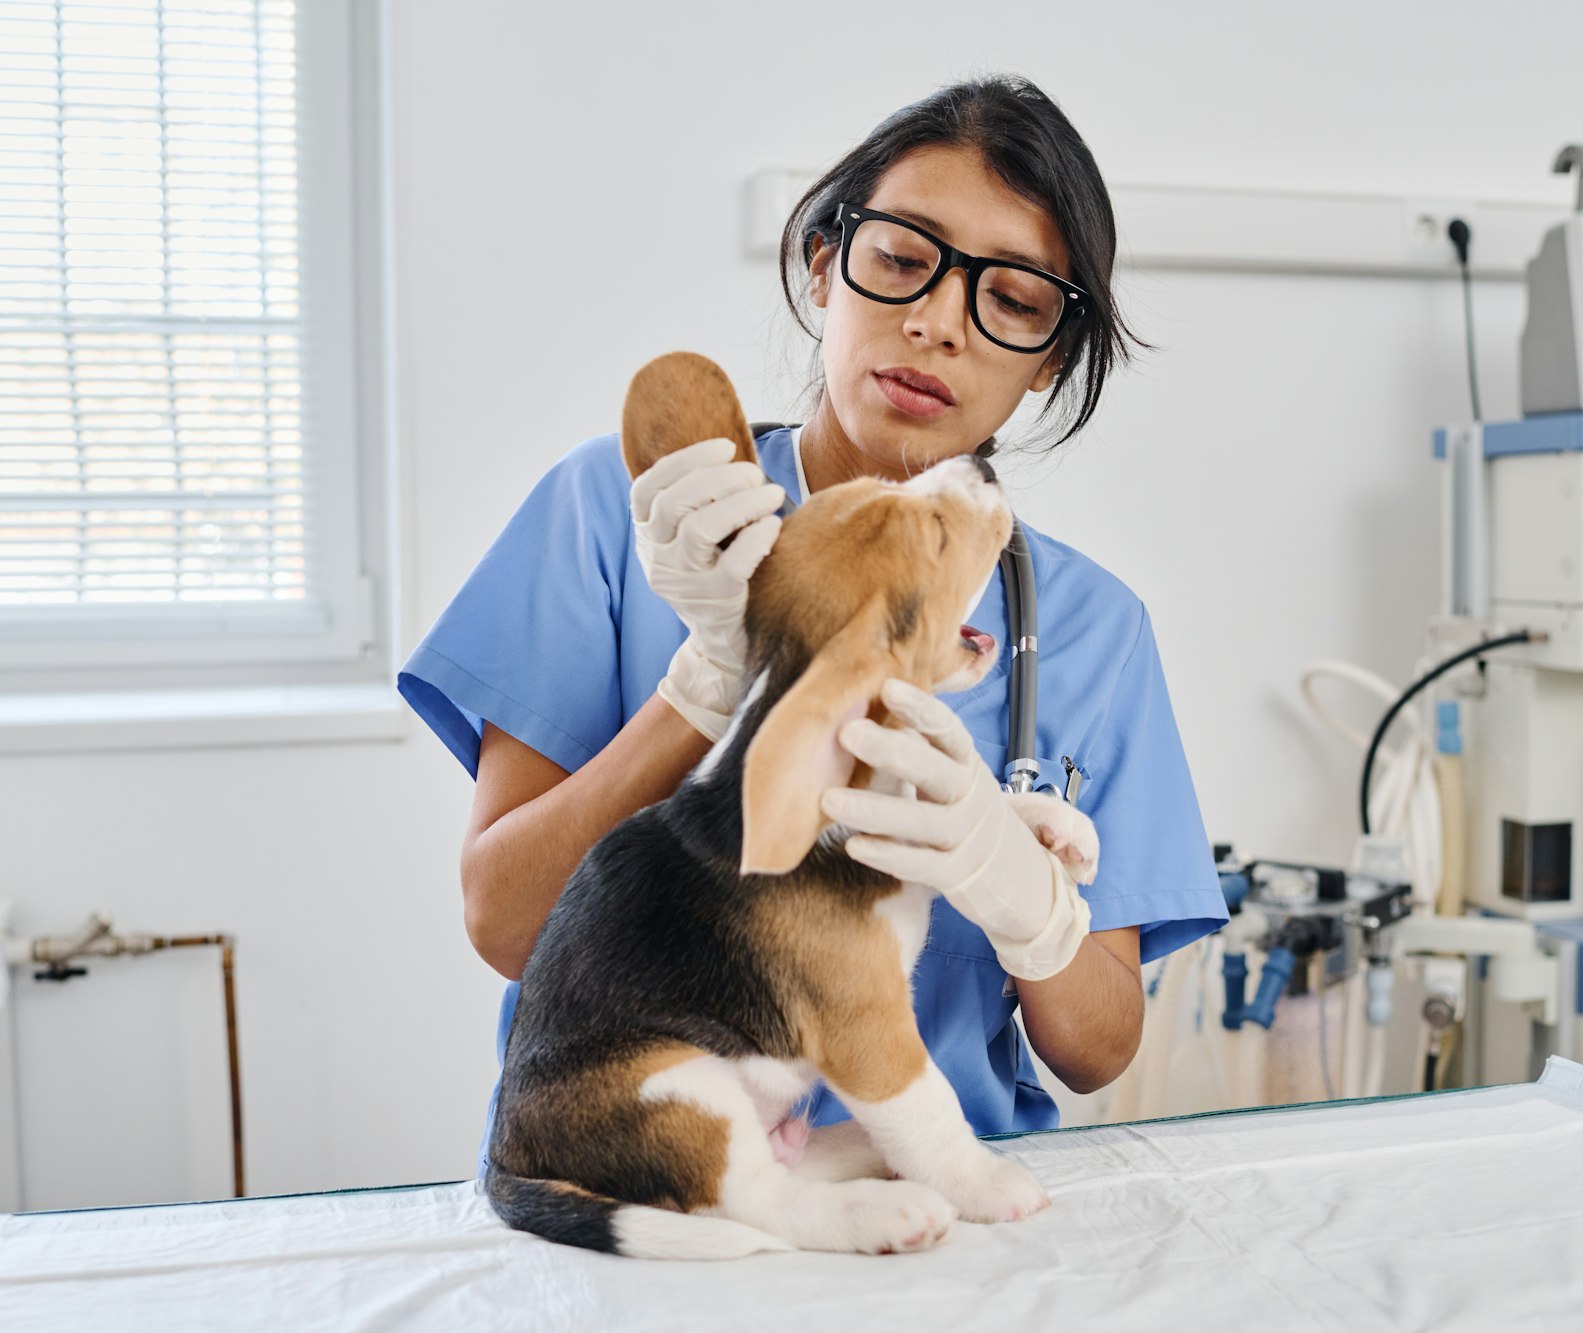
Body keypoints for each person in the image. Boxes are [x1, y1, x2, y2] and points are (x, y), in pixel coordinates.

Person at [398, 76, 1226, 1165]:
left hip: (941, 1204)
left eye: (1013, 300)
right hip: (659, 1193)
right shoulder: (626, 513)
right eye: (899, 259)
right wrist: (712, 679)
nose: (937, 323)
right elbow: (506, 926)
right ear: (823, 261)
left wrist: (1019, 891)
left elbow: (1094, 1047)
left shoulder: (1088, 627)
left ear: (1049, 359)